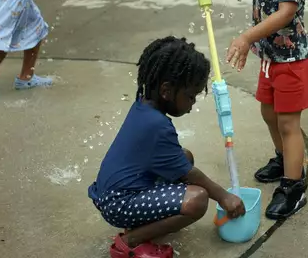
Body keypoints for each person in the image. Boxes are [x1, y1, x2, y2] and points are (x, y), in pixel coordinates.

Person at [186, 0, 308, 220]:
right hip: (272, 60)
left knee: (289, 124)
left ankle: (293, 186)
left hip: (292, 62)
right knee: (269, 112)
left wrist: (247, 37)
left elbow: (286, 14)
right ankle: (282, 157)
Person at [88, 36, 246, 257]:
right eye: (190, 96)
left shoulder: (143, 106)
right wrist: (223, 196)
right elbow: (191, 175)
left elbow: (182, 166)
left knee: (185, 156)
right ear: (166, 91)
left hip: (115, 193)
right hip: (118, 204)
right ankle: (129, 242)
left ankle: (141, 225)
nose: (192, 105)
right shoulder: (157, 126)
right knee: (197, 199)